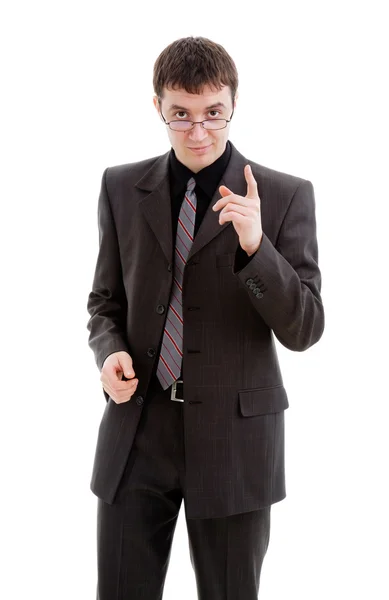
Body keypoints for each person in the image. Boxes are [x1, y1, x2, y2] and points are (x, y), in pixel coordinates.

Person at [86, 36, 325, 600]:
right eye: (181, 115)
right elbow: (104, 303)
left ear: (233, 104)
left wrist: (255, 246)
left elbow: (305, 328)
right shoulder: (121, 187)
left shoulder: (286, 196)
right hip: (138, 429)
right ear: (158, 109)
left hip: (235, 439)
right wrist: (109, 350)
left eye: (213, 114)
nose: (198, 132)